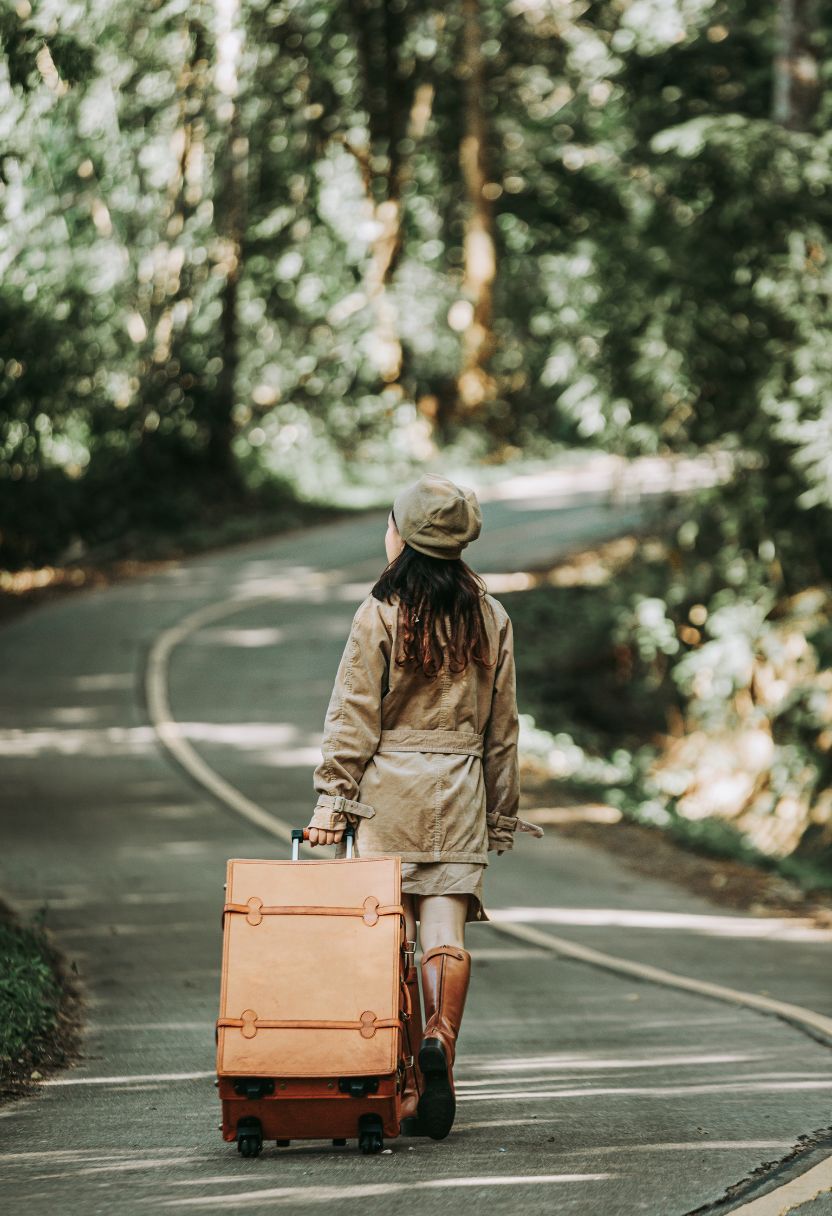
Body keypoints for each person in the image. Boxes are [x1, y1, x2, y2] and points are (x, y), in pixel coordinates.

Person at [306, 473, 544, 1140]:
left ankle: (409, 1077)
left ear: (401, 537)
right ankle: (441, 1038)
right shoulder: (491, 616)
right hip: (461, 792)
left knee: (394, 941)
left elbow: (353, 715)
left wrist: (333, 796)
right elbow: (504, 728)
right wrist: (501, 813)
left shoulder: (380, 612)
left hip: (389, 798)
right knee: (446, 935)